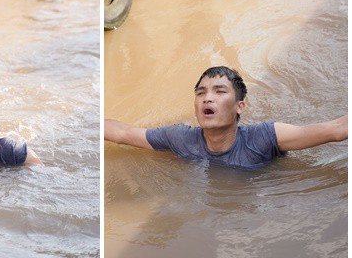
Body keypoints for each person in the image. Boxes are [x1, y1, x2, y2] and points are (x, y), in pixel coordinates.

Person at [105, 66, 348, 169]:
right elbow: (123, 134)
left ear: (239, 107)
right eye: (201, 93)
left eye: (219, 92)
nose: (207, 99)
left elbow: (336, 130)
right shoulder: (180, 138)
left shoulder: (266, 137)